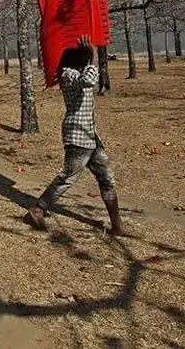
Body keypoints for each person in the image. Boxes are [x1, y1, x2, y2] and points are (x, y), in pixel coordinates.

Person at [25, 34, 123, 236]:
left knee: (106, 178)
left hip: (90, 136)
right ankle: (37, 209)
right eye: (83, 54)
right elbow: (89, 81)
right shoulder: (68, 74)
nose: (86, 57)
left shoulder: (76, 71)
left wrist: (90, 55)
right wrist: (94, 54)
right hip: (78, 135)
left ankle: (117, 226)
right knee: (67, 177)